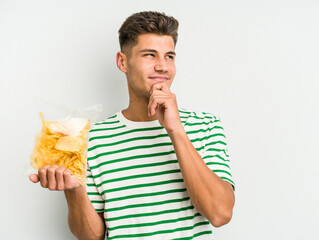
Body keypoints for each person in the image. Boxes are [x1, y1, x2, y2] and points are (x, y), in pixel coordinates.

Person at [29, 11, 235, 240]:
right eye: (150, 55)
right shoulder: (93, 139)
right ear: (122, 62)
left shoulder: (205, 126)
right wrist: (74, 190)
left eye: (169, 56)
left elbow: (220, 214)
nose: (162, 67)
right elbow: (91, 237)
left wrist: (176, 130)